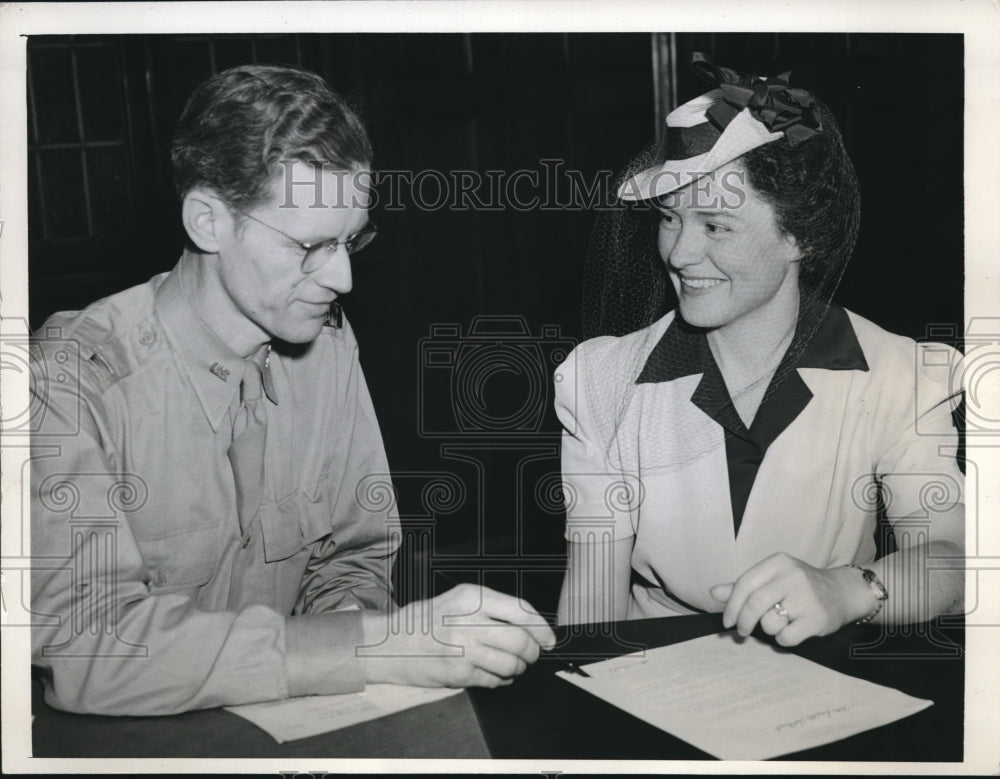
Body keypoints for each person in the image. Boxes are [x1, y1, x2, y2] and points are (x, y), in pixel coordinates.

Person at [30, 64, 554, 716]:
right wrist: (378, 646)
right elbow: (87, 646)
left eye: (351, 239)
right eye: (311, 245)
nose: (342, 277)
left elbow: (354, 559)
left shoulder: (325, 344)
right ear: (208, 221)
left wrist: (361, 643)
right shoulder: (69, 378)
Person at [555, 54, 965, 645]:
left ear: (800, 235)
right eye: (670, 218)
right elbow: (591, 613)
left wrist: (848, 590)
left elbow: (954, 560)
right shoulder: (599, 381)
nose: (679, 253)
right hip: (655, 689)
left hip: (831, 682)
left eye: (716, 226)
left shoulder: (901, 376)